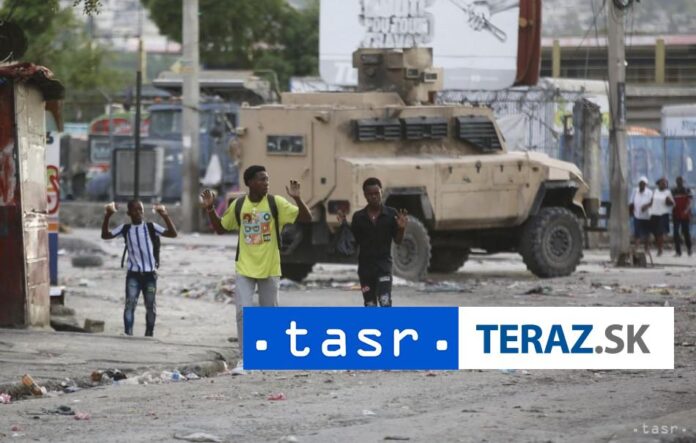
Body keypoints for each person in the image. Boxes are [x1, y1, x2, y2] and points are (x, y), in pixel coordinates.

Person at [201, 165, 311, 375]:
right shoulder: (239, 205)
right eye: (261, 179)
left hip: (270, 267)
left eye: (267, 179)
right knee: (243, 313)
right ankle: (246, 358)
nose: (266, 183)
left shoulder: (276, 203)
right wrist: (210, 209)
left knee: (269, 314)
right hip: (245, 267)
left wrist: (297, 198)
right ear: (249, 183)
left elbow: (306, 218)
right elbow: (221, 228)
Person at [101, 200, 177, 337]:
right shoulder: (125, 229)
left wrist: (165, 215)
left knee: (150, 306)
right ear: (129, 213)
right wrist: (108, 215)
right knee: (130, 304)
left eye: (140, 210)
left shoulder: (151, 227)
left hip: (150, 275)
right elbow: (105, 235)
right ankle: (128, 333)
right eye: (135, 210)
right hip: (133, 275)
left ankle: (149, 334)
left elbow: (173, 233)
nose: (138, 213)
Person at [338, 177, 408, 307]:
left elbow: (398, 241)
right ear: (365, 195)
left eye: (376, 193)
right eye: (370, 194)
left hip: (384, 267)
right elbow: (353, 243)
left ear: (381, 192)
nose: (374, 196)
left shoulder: (391, 214)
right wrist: (344, 226)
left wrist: (401, 229)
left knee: (385, 301)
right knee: (370, 304)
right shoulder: (358, 217)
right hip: (365, 270)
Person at [649, 177, 674, 257]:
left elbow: (673, 203)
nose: (664, 184)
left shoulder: (667, 192)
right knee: (654, 232)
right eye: (662, 183)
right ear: (658, 184)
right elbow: (651, 201)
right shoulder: (655, 191)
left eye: (665, 183)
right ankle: (658, 245)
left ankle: (660, 249)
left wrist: (668, 201)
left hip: (663, 214)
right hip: (654, 213)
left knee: (660, 232)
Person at [629, 176, 653, 255]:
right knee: (637, 233)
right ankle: (636, 248)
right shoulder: (635, 191)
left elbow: (652, 202)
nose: (642, 185)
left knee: (647, 233)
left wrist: (646, 206)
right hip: (637, 215)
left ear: (646, 185)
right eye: (640, 183)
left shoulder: (649, 192)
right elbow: (631, 202)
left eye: (643, 184)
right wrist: (630, 211)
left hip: (647, 216)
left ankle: (646, 248)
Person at [671, 176, 692, 257]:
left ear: (683, 182)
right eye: (678, 181)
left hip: (685, 215)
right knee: (676, 232)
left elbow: (690, 202)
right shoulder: (673, 190)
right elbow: (671, 201)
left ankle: (689, 248)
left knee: (686, 232)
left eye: (681, 181)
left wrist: (686, 211)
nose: (679, 182)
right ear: (676, 182)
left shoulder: (687, 190)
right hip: (676, 214)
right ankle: (678, 251)